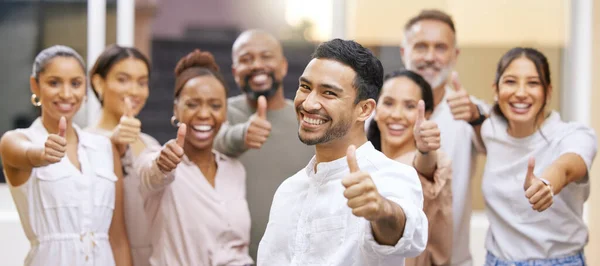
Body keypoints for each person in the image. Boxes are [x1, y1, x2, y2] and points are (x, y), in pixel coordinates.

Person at [257, 39, 428, 265]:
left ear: (364, 109)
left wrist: (382, 209)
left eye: (328, 93)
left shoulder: (389, 177)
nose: (308, 104)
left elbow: (410, 236)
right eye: (305, 87)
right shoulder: (288, 190)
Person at [0, 45, 132, 266]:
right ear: (35, 85)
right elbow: (23, 153)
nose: (66, 94)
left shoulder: (104, 148)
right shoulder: (19, 140)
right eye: (54, 82)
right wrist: (41, 154)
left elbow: (117, 239)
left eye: (76, 83)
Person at [135, 49, 253, 266]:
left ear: (225, 112)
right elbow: (151, 174)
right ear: (176, 109)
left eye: (215, 105)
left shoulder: (234, 169)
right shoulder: (156, 160)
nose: (204, 114)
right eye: (192, 104)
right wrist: (162, 164)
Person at [480, 47, 596, 265]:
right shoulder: (490, 130)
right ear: (496, 89)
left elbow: (569, 165)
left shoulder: (574, 135)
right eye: (511, 81)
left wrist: (547, 183)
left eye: (533, 83)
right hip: (497, 260)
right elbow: (480, 112)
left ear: (548, 92)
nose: (521, 92)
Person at [213, 29, 314, 257]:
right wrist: (242, 135)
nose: (257, 65)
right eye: (246, 59)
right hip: (229, 258)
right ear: (235, 71)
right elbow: (212, 139)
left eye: (266, 56)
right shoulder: (217, 112)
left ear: (284, 66)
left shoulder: (306, 119)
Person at [400, 9, 488, 265]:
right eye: (420, 46)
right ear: (404, 51)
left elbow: (501, 147)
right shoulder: (380, 111)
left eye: (440, 47)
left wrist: (476, 118)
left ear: (454, 55)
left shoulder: (472, 111)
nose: (430, 57)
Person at [367, 70, 452, 266]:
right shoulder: (364, 160)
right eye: (388, 103)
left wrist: (424, 151)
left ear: (427, 114)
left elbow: (425, 169)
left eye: (409, 106)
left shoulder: (434, 162)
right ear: (375, 109)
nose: (396, 115)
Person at [86, 44, 159, 266]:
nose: (134, 91)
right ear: (99, 82)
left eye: (142, 82)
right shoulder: (85, 143)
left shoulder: (151, 144)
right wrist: (112, 144)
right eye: (123, 79)